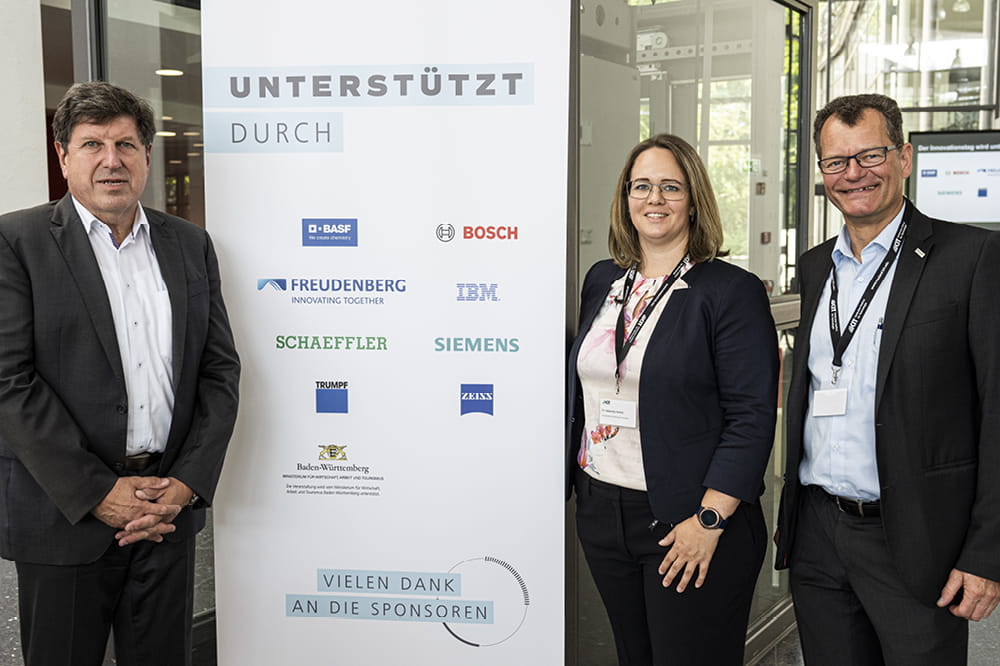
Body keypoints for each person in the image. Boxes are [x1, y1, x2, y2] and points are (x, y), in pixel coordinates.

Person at [0, 81, 240, 666]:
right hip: (66, 516)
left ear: (147, 156)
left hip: (166, 512)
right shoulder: (16, 241)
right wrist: (99, 493)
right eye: (92, 145)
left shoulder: (189, 244)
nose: (112, 160)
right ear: (63, 157)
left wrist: (185, 484)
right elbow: (9, 381)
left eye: (126, 145)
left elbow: (218, 371)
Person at [774, 93, 1000, 665]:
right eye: (836, 162)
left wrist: (986, 553)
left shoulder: (971, 256)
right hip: (819, 534)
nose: (854, 174)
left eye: (870, 155)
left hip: (917, 538)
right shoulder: (816, 263)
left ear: (904, 156)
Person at [567, 133, 779, 665]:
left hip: (688, 518)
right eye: (642, 186)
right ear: (624, 198)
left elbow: (751, 418)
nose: (654, 199)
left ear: (693, 200)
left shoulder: (730, 291)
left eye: (670, 187)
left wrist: (709, 522)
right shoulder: (604, 279)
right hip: (602, 507)